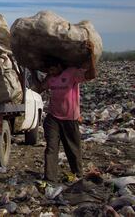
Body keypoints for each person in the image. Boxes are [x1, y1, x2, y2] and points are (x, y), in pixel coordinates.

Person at [33, 41, 96, 182]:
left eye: (53, 69)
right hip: (53, 118)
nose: (51, 72)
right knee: (51, 148)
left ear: (60, 66)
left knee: (73, 149)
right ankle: (50, 179)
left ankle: (78, 175)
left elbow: (91, 75)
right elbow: (39, 88)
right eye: (49, 70)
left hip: (70, 118)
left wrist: (91, 54)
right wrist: (32, 71)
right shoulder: (50, 78)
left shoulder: (72, 73)